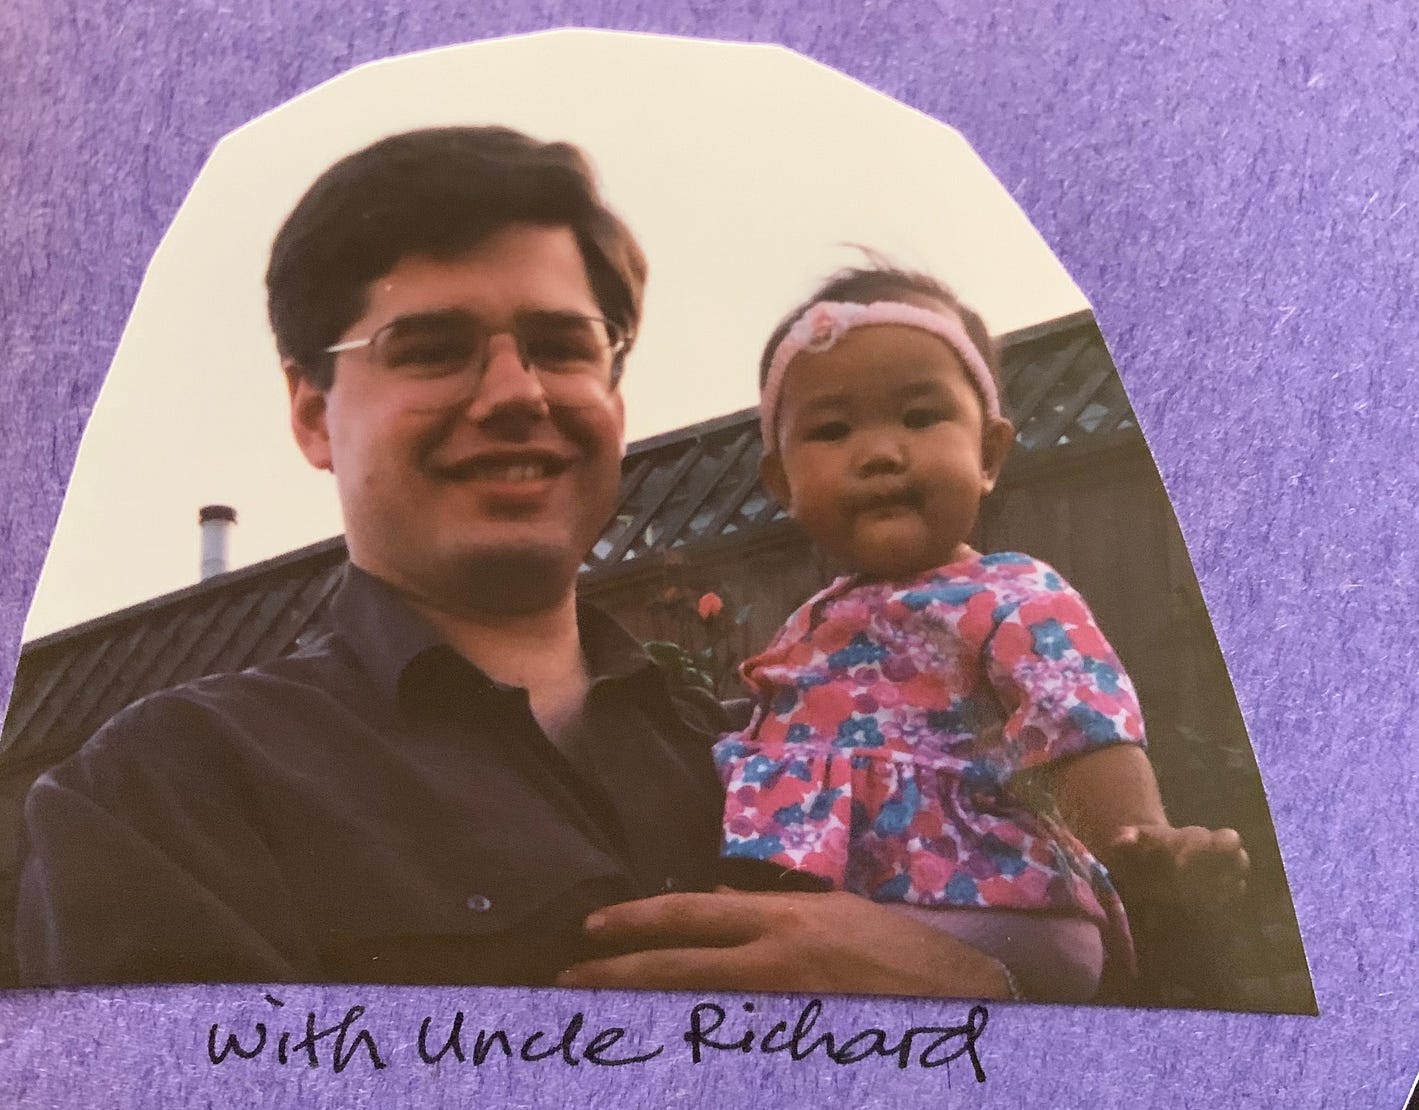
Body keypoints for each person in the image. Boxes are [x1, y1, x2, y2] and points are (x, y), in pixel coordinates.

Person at [13, 127, 1016, 997]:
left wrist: (977, 996)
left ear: (614, 400)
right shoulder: (167, 799)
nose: (513, 393)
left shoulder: (782, 758)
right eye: (430, 348)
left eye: (561, 345)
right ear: (313, 413)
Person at [713, 266, 1250, 1002]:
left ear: (990, 455)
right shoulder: (806, 626)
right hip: (868, 916)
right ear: (783, 484)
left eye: (920, 416)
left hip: (995, 903)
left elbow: (1074, 722)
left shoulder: (1007, 593)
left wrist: (1140, 835)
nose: (878, 453)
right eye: (832, 430)